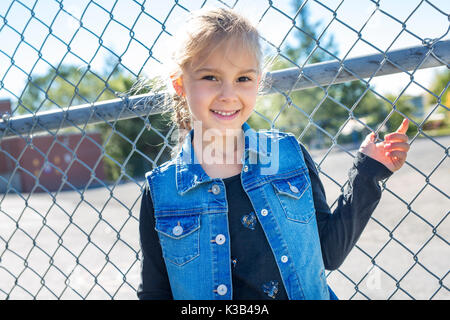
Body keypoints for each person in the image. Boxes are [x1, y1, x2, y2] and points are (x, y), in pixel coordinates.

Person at [137, 7, 410, 300]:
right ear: (180, 84)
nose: (229, 94)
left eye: (243, 78)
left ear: (259, 82)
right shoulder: (163, 191)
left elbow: (329, 253)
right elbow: (155, 291)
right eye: (210, 77)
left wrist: (367, 174)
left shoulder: (286, 156)